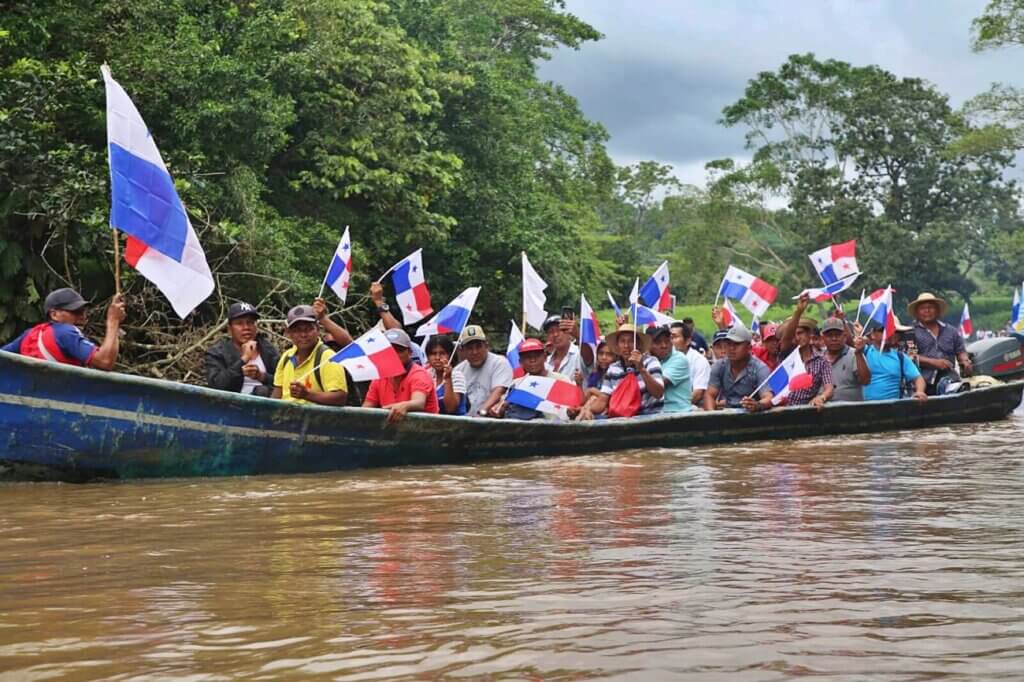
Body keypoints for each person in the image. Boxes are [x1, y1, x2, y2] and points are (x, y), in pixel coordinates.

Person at [3, 287, 125, 370]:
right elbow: (105, 361)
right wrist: (113, 321)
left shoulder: (29, 334)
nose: (83, 317)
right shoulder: (65, 332)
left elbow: (2, 357)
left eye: (83, 311)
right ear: (54, 314)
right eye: (76, 311)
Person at [576, 324, 664, 420]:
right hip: (622, 419)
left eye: (631, 341)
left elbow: (658, 393)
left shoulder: (651, 361)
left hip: (649, 416)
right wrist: (588, 409)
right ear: (618, 345)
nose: (626, 346)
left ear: (638, 344)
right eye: (622, 341)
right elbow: (603, 400)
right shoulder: (613, 369)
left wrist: (642, 369)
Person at [271, 305, 348, 405]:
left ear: (318, 330)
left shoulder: (327, 357)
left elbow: (340, 397)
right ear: (288, 333)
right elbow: (277, 395)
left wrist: (307, 394)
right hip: (286, 417)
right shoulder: (286, 356)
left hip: (316, 418)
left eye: (308, 329)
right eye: (297, 330)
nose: (303, 335)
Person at [204, 301, 281, 396]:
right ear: (229, 329)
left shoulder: (268, 350)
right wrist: (243, 360)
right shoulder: (216, 353)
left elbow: (284, 382)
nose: (246, 327)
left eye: (250, 322)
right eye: (239, 323)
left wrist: (262, 376)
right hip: (229, 405)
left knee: (262, 390)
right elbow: (216, 385)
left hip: (263, 404)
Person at [363, 328, 439, 423]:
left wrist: (404, 406)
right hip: (394, 433)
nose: (394, 355)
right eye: (389, 350)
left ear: (410, 353)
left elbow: (419, 402)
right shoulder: (379, 378)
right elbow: (365, 410)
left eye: (399, 350)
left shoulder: (419, 374)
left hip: (426, 432)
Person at [493, 338, 574, 421]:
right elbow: (501, 408)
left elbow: (571, 408)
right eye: (528, 357)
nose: (532, 360)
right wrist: (501, 409)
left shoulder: (561, 380)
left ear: (545, 357)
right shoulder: (516, 384)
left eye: (537, 356)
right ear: (520, 362)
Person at [907, 292, 972, 394]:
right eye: (923, 308)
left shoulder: (951, 331)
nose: (927, 311)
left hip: (950, 376)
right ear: (917, 312)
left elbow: (960, 350)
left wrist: (965, 360)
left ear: (937, 310)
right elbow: (910, 356)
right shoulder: (911, 333)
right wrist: (934, 363)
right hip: (923, 381)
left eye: (930, 307)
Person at [777, 296, 834, 408]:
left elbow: (829, 388)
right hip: (781, 409)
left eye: (800, 333)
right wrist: (798, 312)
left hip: (807, 410)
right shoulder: (785, 356)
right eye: (794, 334)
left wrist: (821, 397)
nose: (797, 338)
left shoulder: (822, 361)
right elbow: (787, 338)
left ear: (809, 335)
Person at [704, 325, 773, 412]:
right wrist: (712, 416)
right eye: (729, 344)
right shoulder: (719, 366)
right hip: (728, 414)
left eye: (737, 344)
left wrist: (757, 405)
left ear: (749, 348)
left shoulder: (760, 368)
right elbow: (709, 394)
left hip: (753, 415)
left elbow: (768, 397)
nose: (731, 348)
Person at [863, 317, 927, 401]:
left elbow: (918, 378)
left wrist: (920, 391)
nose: (889, 333)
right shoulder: (865, 351)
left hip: (893, 407)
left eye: (894, 331)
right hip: (864, 406)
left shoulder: (901, 357)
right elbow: (850, 343)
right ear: (873, 334)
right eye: (883, 330)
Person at [455, 325, 513, 417]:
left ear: (486, 346)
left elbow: (499, 391)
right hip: (465, 422)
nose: (475, 352)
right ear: (463, 350)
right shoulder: (458, 370)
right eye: (470, 348)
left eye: (478, 347)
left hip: (492, 421)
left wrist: (481, 412)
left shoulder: (499, 363)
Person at [369, 281, 427, 365]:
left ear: (409, 352)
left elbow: (396, 331)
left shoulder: (414, 349)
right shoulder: (373, 352)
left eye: (399, 350)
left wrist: (379, 301)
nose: (396, 354)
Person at [821, 317, 870, 402]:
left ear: (844, 336)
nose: (834, 338)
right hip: (822, 411)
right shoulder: (818, 357)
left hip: (850, 411)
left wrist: (859, 354)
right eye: (830, 335)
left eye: (837, 335)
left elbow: (865, 381)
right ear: (823, 337)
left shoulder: (854, 354)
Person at [647, 325, 692, 413]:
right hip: (654, 413)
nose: (664, 345)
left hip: (677, 413)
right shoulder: (647, 360)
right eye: (658, 342)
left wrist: (641, 369)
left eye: (667, 341)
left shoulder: (679, 359)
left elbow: (658, 384)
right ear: (648, 345)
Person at [423, 335, 467, 415]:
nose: (437, 357)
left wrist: (448, 379)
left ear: (450, 355)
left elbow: (451, 408)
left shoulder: (457, 375)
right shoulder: (425, 375)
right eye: (433, 353)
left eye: (442, 353)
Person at [543, 314, 593, 383]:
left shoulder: (579, 354)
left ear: (569, 332)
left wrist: (578, 336)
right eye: (551, 332)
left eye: (559, 330)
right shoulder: (546, 362)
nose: (555, 335)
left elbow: (589, 358)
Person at [670, 321, 710, 406]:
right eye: (669, 338)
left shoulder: (699, 361)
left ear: (688, 341)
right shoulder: (665, 359)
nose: (670, 341)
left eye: (674, 337)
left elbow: (698, 394)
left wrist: (676, 407)